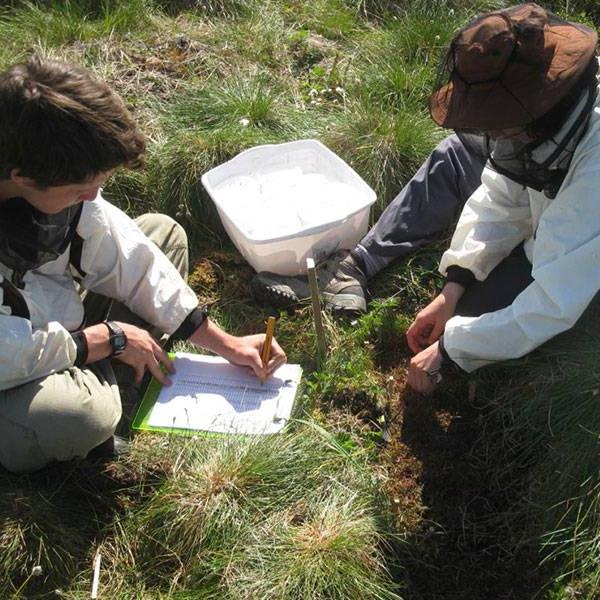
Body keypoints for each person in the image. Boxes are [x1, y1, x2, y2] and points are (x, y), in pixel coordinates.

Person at [252, 3, 600, 393]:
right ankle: (353, 269)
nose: (496, 135)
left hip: (581, 259)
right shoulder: (536, 126)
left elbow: (554, 301)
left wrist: (452, 348)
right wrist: (454, 284)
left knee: (470, 327)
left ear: (544, 108)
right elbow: (503, 196)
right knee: (455, 155)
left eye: (502, 125)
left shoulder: (594, 166)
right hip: (555, 219)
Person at [0, 56, 286, 473]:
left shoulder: (45, 177)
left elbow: (124, 252)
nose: (93, 196)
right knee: (79, 417)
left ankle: (113, 382)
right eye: (80, 188)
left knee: (161, 234)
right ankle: (98, 411)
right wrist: (104, 340)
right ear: (22, 177)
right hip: (10, 362)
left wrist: (225, 343)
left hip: (52, 315)